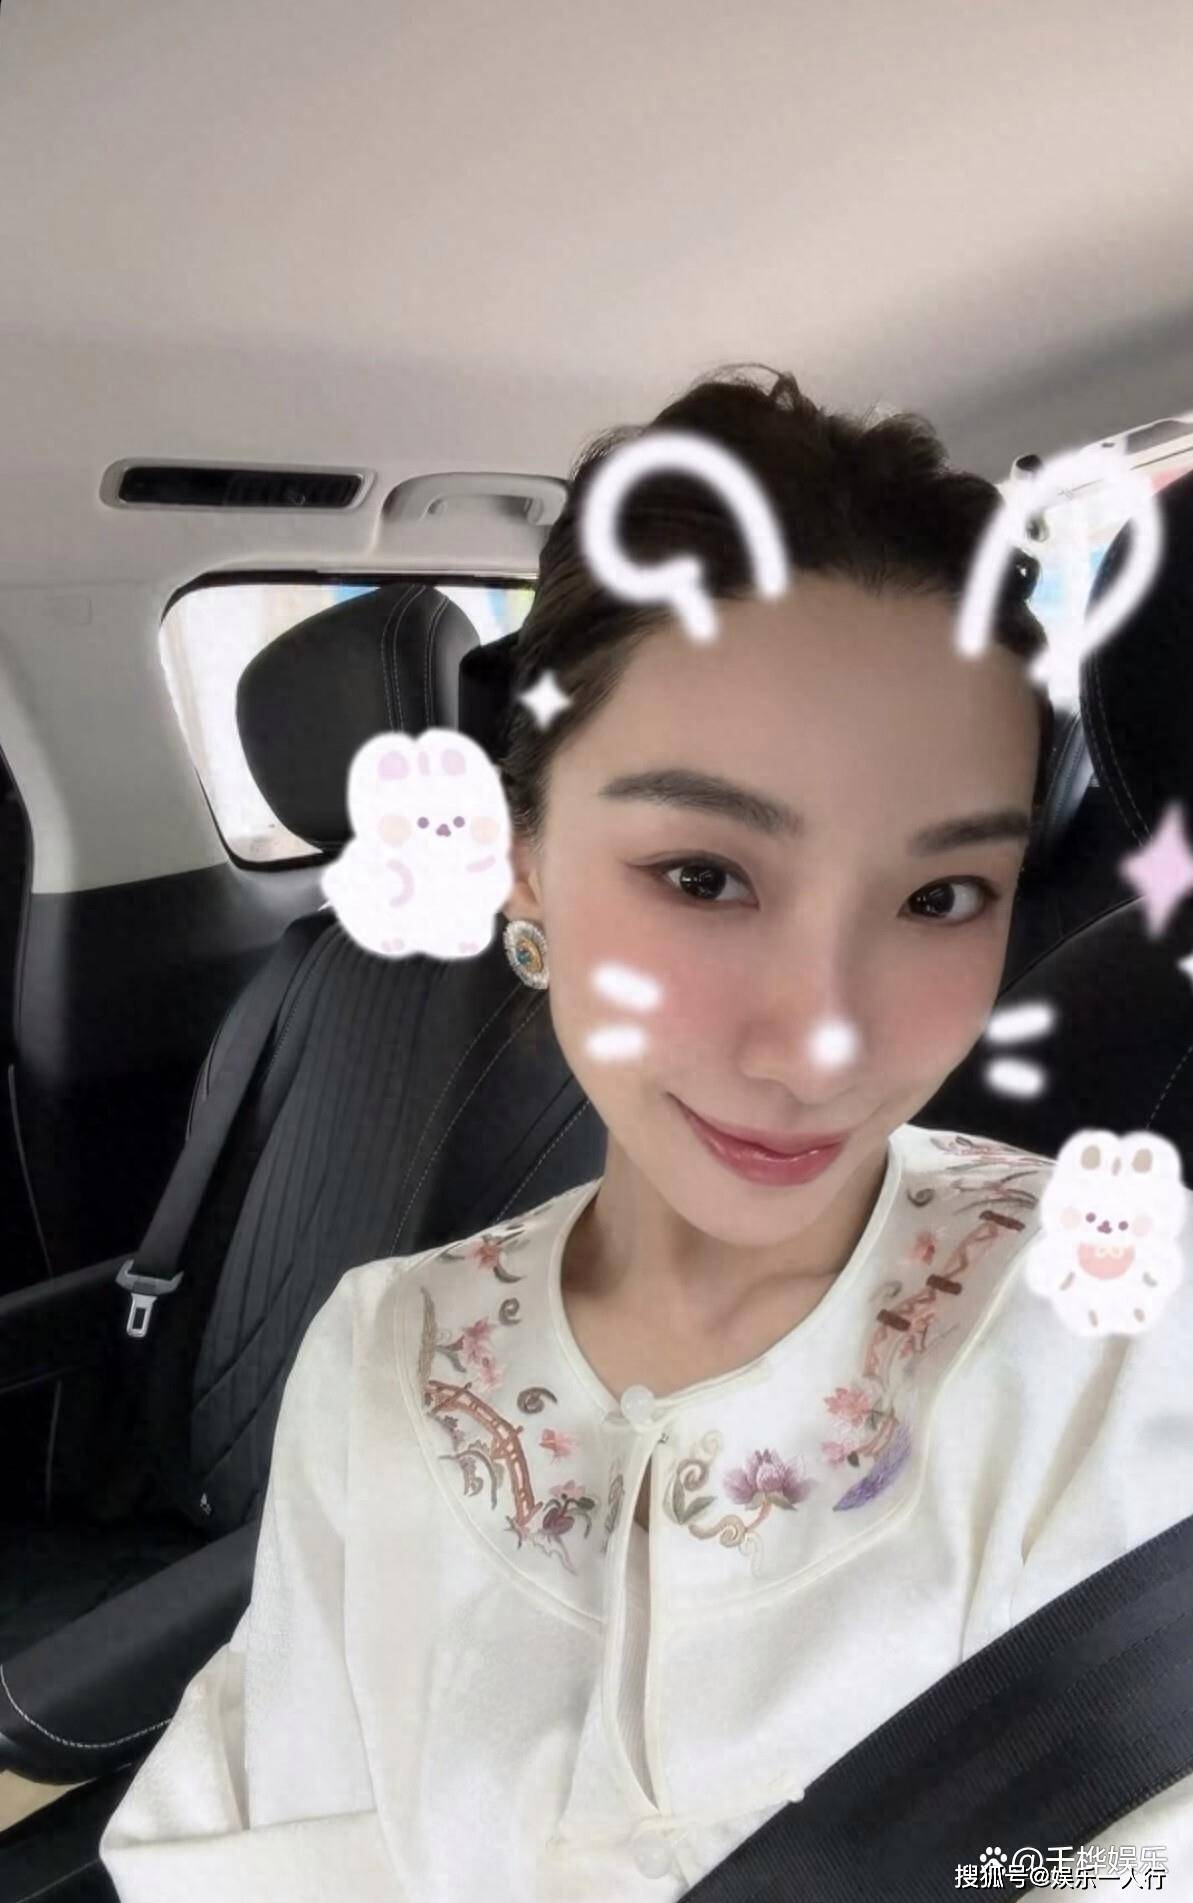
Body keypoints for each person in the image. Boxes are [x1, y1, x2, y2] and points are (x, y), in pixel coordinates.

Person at [99, 368, 1193, 1900]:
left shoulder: (1115, 1329)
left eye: (941, 895)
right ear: (524, 860)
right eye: (703, 876)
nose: (818, 1043)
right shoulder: (383, 1349)